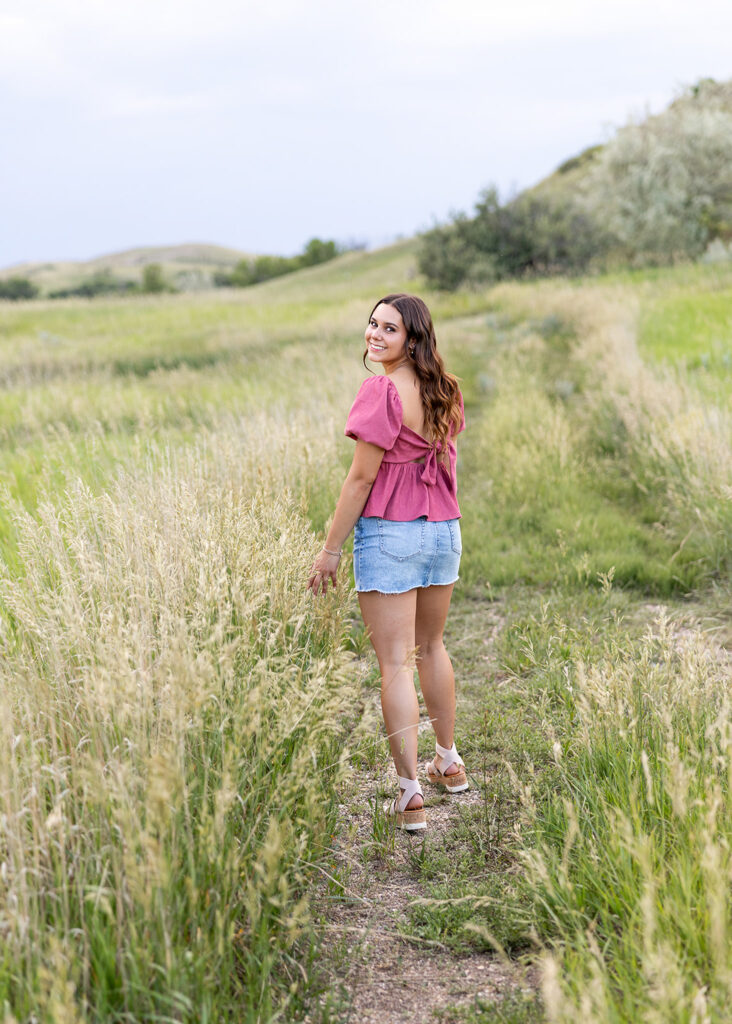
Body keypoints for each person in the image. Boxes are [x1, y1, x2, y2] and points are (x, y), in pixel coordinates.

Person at [307, 293, 468, 832]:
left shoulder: (382, 390)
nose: (375, 334)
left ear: (413, 340)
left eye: (389, 329)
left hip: (391, 533)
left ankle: (409, 795)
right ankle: (448, 761)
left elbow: (360, 479)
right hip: (443, 529)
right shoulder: (443, 388)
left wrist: (331, 551)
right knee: (433, 648)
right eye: (372, 324)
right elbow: (444, 457)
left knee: (395, 662)